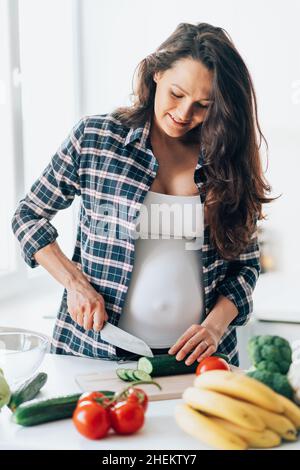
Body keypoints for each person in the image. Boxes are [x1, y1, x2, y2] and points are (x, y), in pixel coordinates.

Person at [12, 22, 274, 366]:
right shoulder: (96, 138)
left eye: (203, 105)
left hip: (200, 361)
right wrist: (74, 282)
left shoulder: (226, 160)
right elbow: (28, 215)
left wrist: (214, 327)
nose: (184, 114)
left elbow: (246, 267)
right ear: (156, 74)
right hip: (96, 352)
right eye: (177, 95)